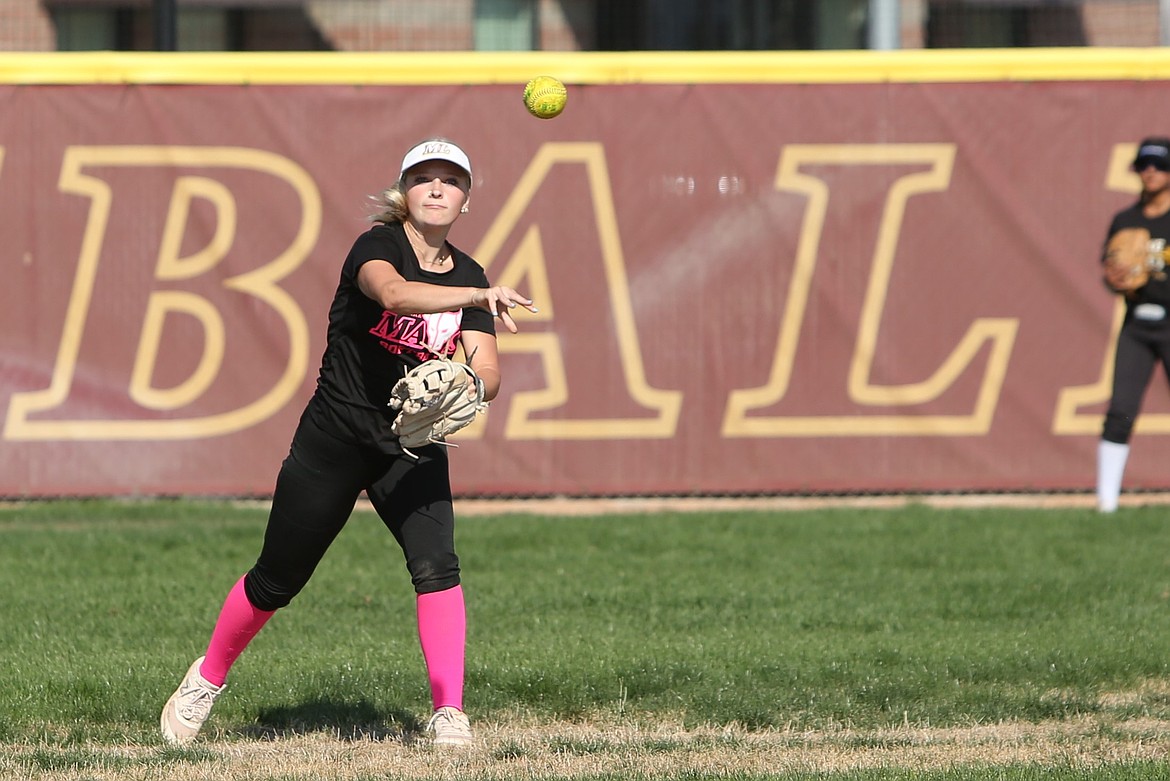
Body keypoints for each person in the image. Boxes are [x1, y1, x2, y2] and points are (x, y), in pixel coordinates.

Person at [160, 138, 537, 746]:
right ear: (404, 193)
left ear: (466, 200)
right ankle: (206, 678)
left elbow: (489, 372)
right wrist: (477, 298)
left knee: (438, 567)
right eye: (424, 178)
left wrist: (471, 382)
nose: (437, 189)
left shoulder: (472, 276)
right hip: (335, 436)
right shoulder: (377, 247)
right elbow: (393, 295)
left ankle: (448, 711)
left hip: (410, 445)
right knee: (276, 580)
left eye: (452, 180)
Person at [1097, 136, 1170, 512]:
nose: (1152, 172)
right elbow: (1110, 272)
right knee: (1121, 409)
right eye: (1144, 165)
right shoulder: (1125, 220)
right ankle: (1106, 504)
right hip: (1137, 326)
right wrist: (1116, 277)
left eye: (1159, 165)